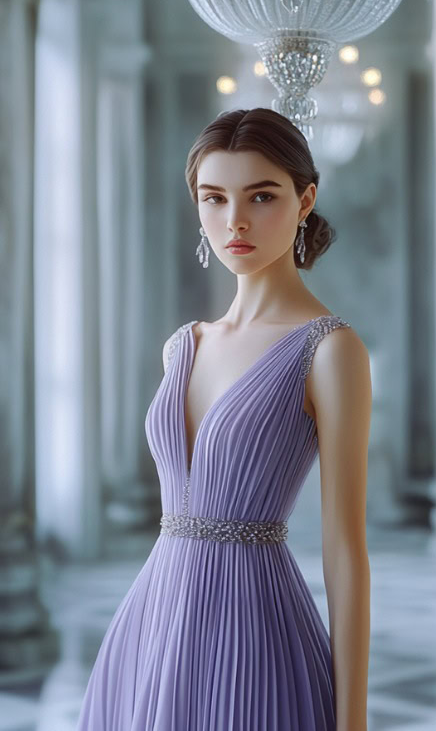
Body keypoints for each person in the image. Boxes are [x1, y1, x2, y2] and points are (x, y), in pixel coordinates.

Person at [76, 107, 372, 731]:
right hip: (153, 623)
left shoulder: (330, 350)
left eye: (261, 196)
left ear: (304, 199)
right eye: (214, 199)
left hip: (254, 630)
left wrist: (354, 721)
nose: (233, 221)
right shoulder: (185, 344)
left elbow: (345, 549)